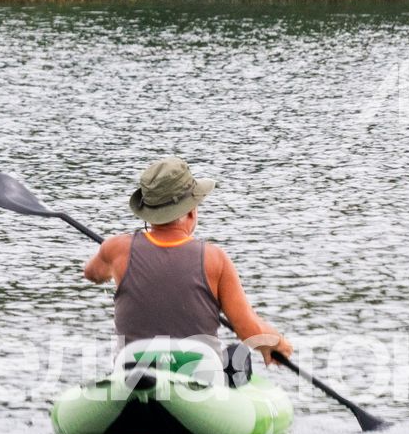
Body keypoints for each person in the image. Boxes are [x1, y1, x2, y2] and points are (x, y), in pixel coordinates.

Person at [82, 157, 292, 375]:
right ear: (191, 211)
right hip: (198, 378)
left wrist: (117, 267)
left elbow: (92, 274)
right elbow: (249, 331)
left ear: (148, 214)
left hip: (133, 374)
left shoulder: (115, 248)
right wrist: (277, 343)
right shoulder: (215, 258)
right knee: (238, 355)